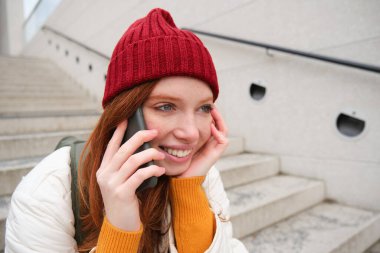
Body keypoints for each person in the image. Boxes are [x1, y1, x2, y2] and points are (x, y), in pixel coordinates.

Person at [5, 8, 248, 253]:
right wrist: (120, 227)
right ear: (125, 112)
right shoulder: (48, 190)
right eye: (166, 106)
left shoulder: (203, 174)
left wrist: (189, 193)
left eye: (204, 108)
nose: (192, 133)